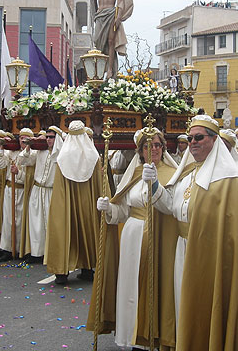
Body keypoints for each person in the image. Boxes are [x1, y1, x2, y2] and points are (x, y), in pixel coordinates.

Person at [146, 115, 238, 350]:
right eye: (189, 138)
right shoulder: (186, 175)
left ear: (214, 141)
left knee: (206, 307)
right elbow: (170, 207)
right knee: (183, 305)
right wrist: (153, 183)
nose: (192, 142)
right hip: (183, 250)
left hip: (210, 258)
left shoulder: (230, 180)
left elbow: (236, 232)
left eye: (198, 138)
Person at [91, 127, 178, 349]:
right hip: (132, 236)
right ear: (140, 151)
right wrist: (108, 207)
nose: (154, 149)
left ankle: (153, 334)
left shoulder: (172, 172)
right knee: (131, 288)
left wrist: (156, 184)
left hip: (158, 237)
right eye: (148, 146)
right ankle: (132, 335)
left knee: (154, 285)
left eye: (158, 145)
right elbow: (123, 210)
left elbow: (171, 207)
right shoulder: (134, 173)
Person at [47, 120, 102, 284]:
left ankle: (61, 272)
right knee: (88, 227)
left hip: (68, 203)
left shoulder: (63, 156)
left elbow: (59, 188)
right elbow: (98, 184)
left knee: (66, 229)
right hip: (88, 203)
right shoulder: (93, 156)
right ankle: (87, 268)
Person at [72, 0, 129, 77]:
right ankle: (100, 67)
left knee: (111, 41)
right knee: (97, 40)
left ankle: (110, 69)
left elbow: (121, 2)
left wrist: (118, 18)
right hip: (100, 16)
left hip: (111, 14)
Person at [18, 126, 63, 261]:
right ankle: (36, 253)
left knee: (50, 223)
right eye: (47, 137)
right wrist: (30, 146)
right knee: (35, 223)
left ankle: (50, 252)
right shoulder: (39, 152)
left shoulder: (61, 153)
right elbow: (23, 160)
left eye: (51, 137)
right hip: (37, 191)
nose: (48, 140)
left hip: (51, 191)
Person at [0, 128, 34, 262]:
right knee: (8, 220)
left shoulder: (32, 154)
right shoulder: (10, 152)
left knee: (21, 221)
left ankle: (21, 249)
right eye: (20, 138)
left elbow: (30, 176)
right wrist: (1, 148)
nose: (22, 141)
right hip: (9, 189)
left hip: (22, 190)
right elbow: (0, 164)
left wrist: (19, 173)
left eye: (25, 138)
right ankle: (7, 249)